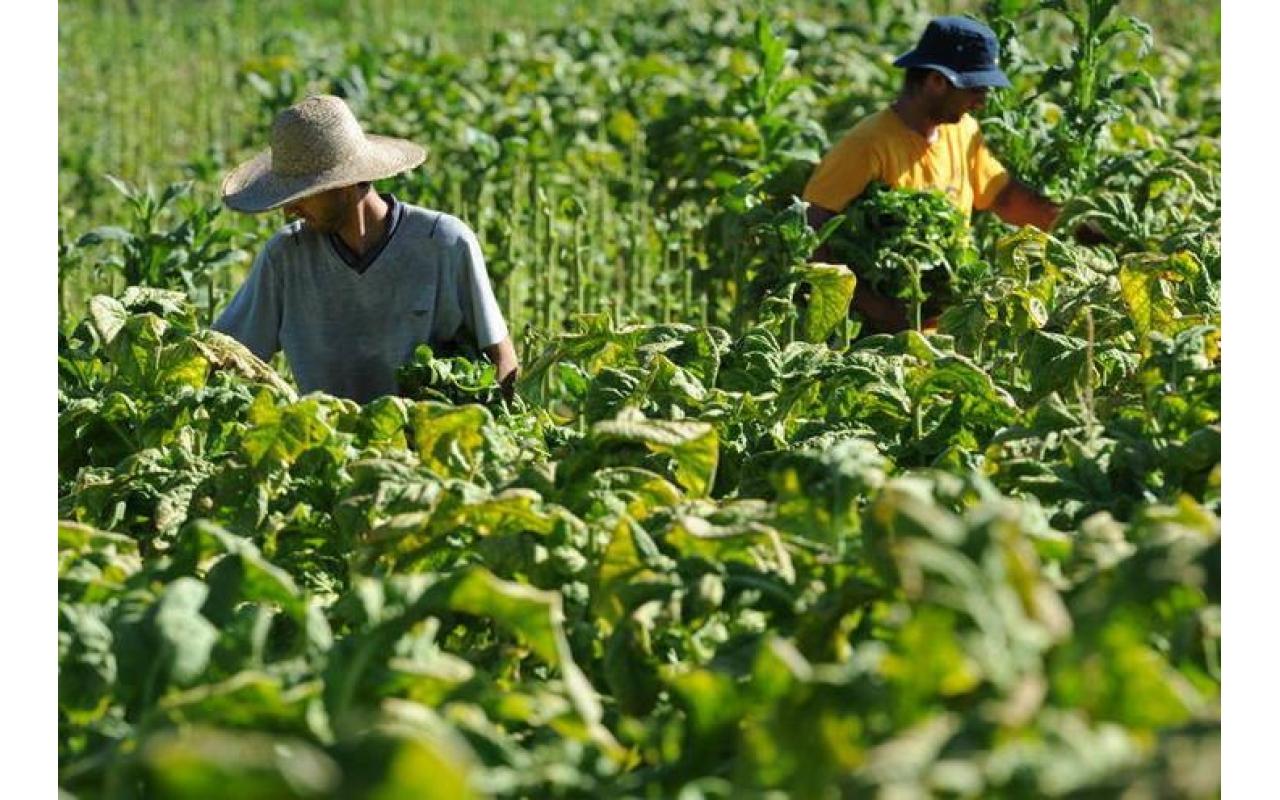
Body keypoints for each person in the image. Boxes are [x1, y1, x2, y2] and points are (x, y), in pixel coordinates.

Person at [214, 94, 519, 403]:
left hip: (428, 445)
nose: (290, 211)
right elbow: (225, 354)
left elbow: (501, 358)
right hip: (325, 446)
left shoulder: (444, 243)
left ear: (343, 185)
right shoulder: (285, 257)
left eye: (302, 195)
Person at [803, 16, 1098, 334]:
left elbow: (1005, 197)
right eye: (976, 88)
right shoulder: (868, 144)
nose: (982, 102)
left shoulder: (963, 133)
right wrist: (878, 308)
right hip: (867, 333)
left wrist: (1081, 228)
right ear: (936, 81)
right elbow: (811, 230)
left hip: (939, 329)